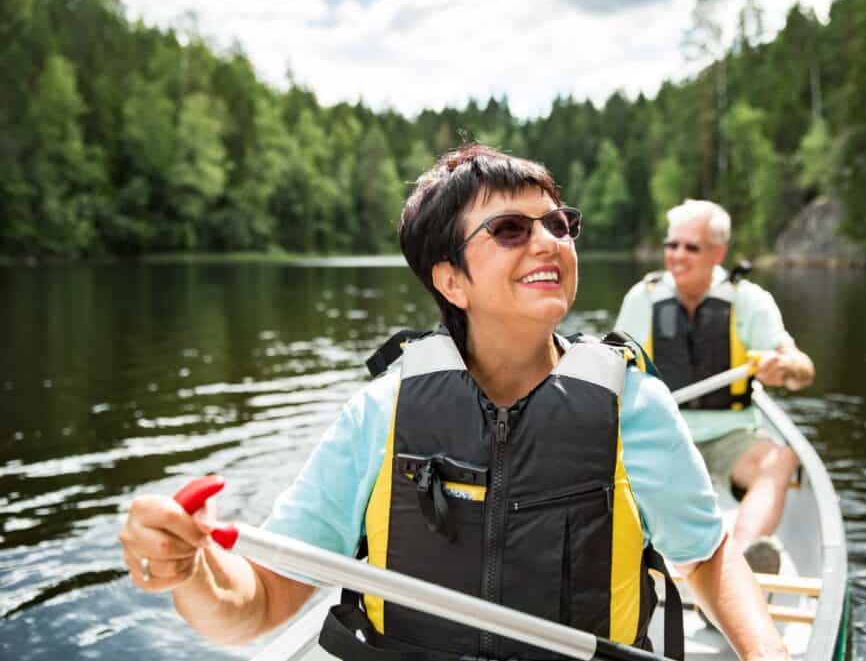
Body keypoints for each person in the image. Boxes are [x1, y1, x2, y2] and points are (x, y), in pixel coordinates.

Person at [119, 147, 789, 661]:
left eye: (559, 222)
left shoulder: (632, 405)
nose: (549, 239)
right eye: (509, 229)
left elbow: (704, 556)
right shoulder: (379, 415)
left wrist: (767, 652)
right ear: (451, 279)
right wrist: (193, 571)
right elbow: (257, 601)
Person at [614, 199, 814, 576]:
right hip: (660, 433)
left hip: (728, 437)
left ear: (718, 252)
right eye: (671, 245)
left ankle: (737, 563)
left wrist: (784, 366)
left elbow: (803, 369)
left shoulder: (749, 301)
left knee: (781, 460)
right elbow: (614, 369)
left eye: (691, 247)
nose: (677, 256)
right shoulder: (643, 299)